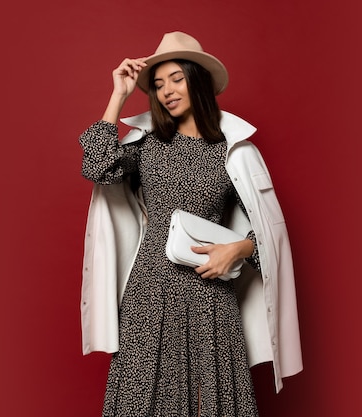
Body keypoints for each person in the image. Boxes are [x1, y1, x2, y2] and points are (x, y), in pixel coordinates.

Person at [79, 32, 302, 416]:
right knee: (139, 397)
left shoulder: (235, 148)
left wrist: (240, 248)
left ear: (196, 79)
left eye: (176, 79)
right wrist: (118, 95)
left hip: (210, 290)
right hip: (151, 289)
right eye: (159, 84)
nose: (166, 91)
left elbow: (270, 233)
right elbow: (96, 165)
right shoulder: (147, 143)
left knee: (216, 398)